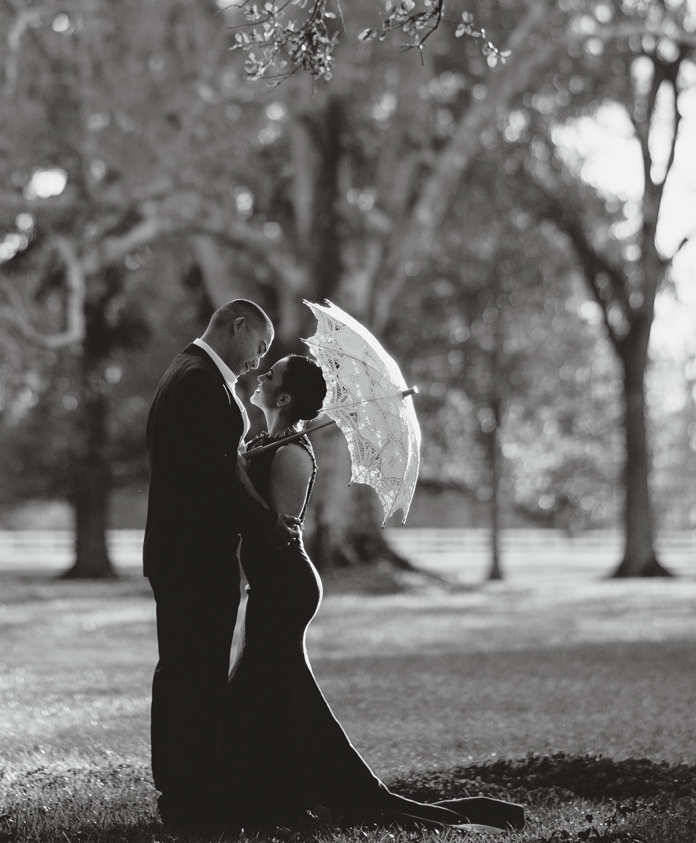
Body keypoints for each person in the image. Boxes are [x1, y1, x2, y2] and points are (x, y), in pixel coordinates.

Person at [220, 354, 525, 834]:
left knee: (256, 686)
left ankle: (280, 796)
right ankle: (293, 791)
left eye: (271, 374)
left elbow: (277, 532)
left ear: (282, 398)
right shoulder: (264, 440)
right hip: (267, 584)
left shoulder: (293, 454)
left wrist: (237, 478)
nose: (260, 375)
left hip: (285, 586)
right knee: (282, 690)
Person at [142, 300, 301, 829]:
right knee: (196, 675)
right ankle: (188, 800)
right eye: (259, 348)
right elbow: (208, 480)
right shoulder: (198, 381)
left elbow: (214, 467)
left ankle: (183, 792)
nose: (258, 363)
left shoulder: (189, 372)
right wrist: (263, 524)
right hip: (192, 553)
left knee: (185, 671)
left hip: (185, 549)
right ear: (238, 327)